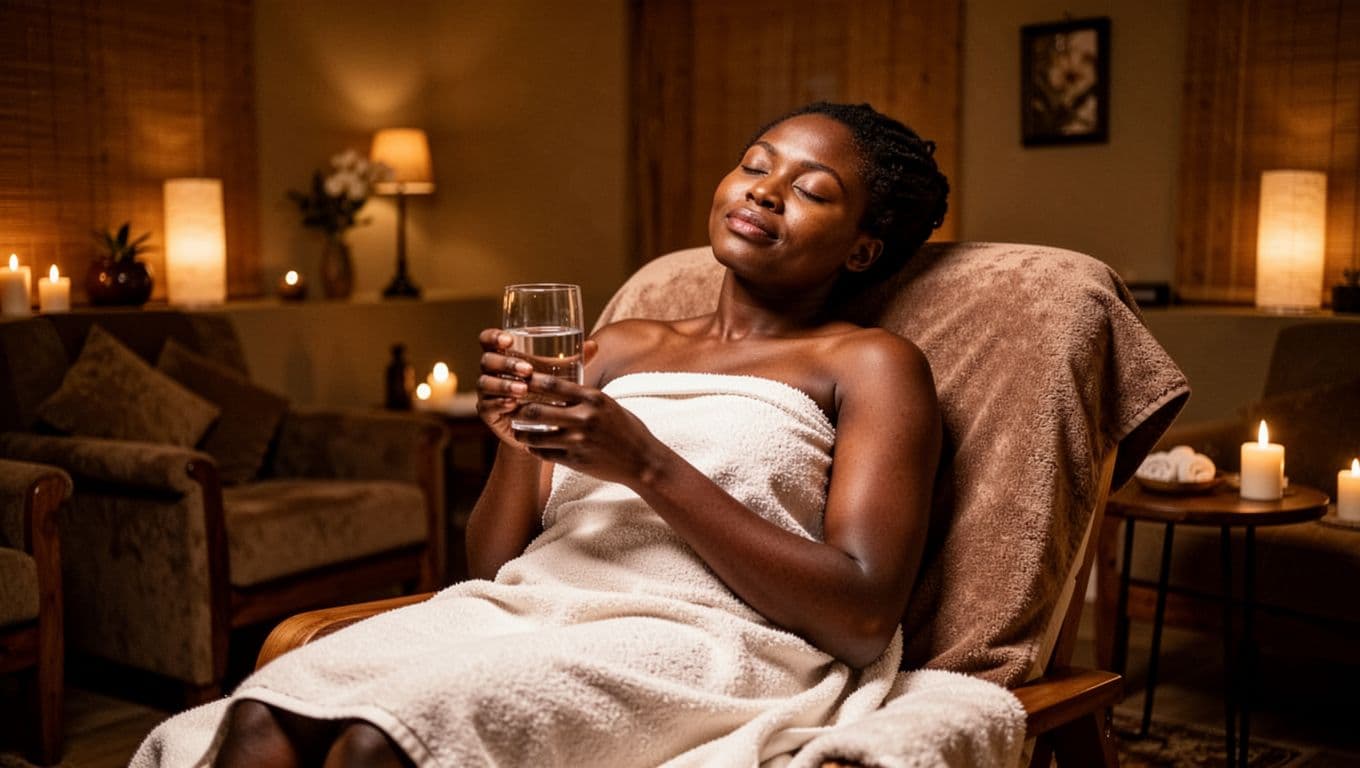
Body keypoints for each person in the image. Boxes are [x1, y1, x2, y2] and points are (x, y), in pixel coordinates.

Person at [133, 101, 950, 768]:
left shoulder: (870, 365)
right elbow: (492, 567)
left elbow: (861, 617)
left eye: (812, 190)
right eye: (756, 163)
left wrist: (645, 463)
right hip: (521, 612)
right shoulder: (620, 345)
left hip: (702, 638)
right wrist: (513, 439)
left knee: (376, 744)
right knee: (259, 722)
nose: (766, 192)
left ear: (864, 247)